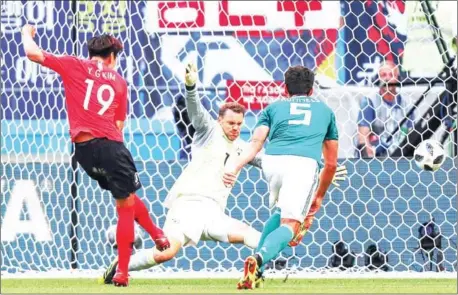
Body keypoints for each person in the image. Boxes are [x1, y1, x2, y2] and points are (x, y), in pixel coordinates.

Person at [101, 63, 347, 286]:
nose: (235, 127)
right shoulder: (207, 132)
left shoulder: (241, 147)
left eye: (239, 123)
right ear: (219, 120)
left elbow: (268, 161)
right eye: (230, 123)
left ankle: (259, 264)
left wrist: (324, 171)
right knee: (167, 252)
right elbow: (195, 111)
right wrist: (190, 87)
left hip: (214, 214)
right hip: (189, 206)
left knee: (254, 236)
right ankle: (120, 266)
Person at [21, 24, 170, 287]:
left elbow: (32, 53)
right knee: (124, 206)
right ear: (112, 57)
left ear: (90, 52)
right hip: (111, 146)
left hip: (84, 153)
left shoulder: (73, 64)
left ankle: (157, 233)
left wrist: (25, 31)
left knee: (127, 196)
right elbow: (119, 126)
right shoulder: (120, 82)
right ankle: (123, 271)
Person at [223, 65, 339, 289]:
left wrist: (235, 166)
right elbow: (332, 163)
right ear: (312, 90)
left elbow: (255, 144)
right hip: (302, 165)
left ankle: (257, 272)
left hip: (272, 163)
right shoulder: (326, 112)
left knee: (280, 212)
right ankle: (258, 260)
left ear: (285, 89)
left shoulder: (273, 108)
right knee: (291, 224)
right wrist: (318, 198)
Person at [356, 61, 415, 157]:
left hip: (401, 158)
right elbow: (363, 137)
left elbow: (411, 135)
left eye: (391, 75)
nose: (387, 79)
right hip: (377, 159)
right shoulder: (369, 101)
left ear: (397, 78)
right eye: (383, 75)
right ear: (378, 78)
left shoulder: (407, 104)